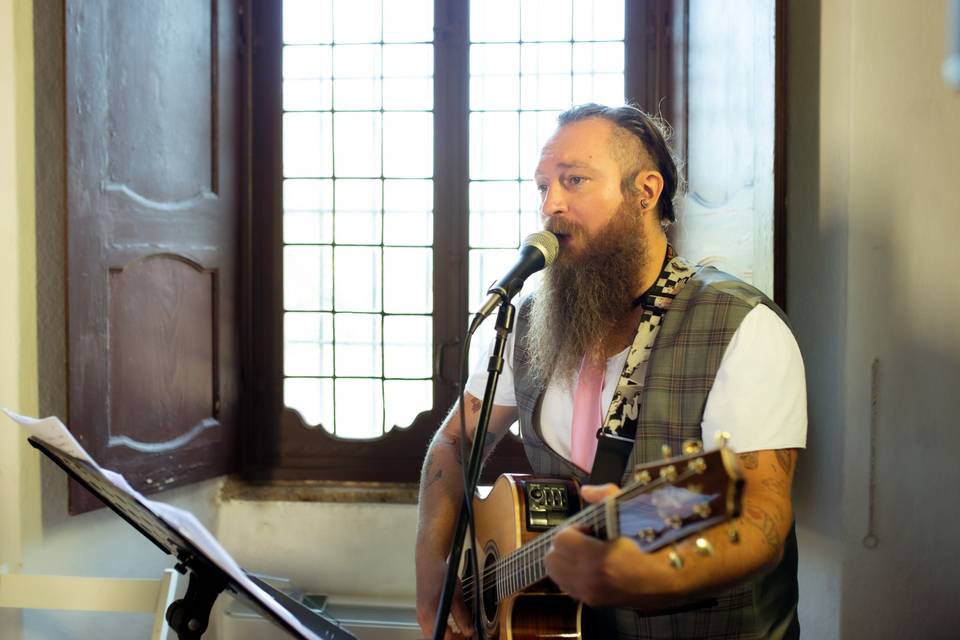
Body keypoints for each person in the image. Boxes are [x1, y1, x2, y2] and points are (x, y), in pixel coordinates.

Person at [415, 103, 807, 639]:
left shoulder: (741, 327)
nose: (551, 205)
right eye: (543, 186)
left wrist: (642, 575)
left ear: (644, 192)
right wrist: (432, 567)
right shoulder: (528, 322)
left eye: (573, 180)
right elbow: (454, 442)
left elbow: (761, 519)